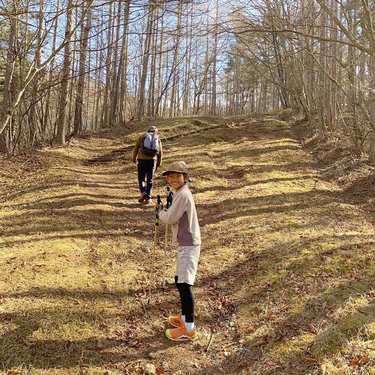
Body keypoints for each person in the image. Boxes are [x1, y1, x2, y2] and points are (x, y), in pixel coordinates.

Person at [157, 161, 201, 341]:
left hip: (189, 244)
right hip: (186, 243)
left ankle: (188, 329)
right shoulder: (180, 193)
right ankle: (184, 319)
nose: (173, 179)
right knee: (180, 280)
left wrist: (159, 213)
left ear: (185, 177)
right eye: (170, 176)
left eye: (177, 176)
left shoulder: (183, 195)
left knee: (184, 285)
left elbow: (170, 217)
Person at [132, 125, 162, 204]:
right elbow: (160, 152)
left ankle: (143, 193)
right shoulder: (157, 138)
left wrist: (134, 158)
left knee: (141, 178)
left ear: (148, 130)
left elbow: (136, 148)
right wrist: (159, 162)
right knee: (150, 179)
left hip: (141, 160)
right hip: (152, 161)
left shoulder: (142, 136)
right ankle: (148, 197)